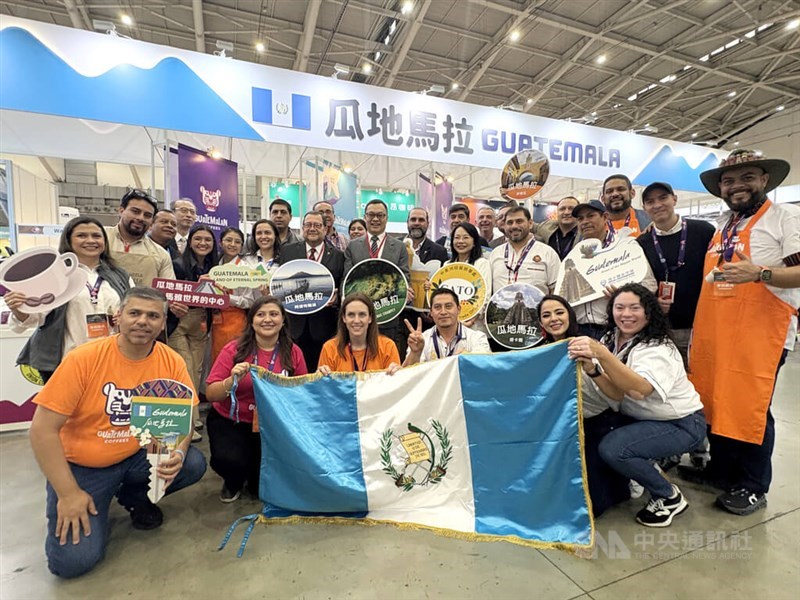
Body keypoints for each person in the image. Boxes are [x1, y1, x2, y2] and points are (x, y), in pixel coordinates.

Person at [28, 287, 207, 578]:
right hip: (84, 467)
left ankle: (134, 496)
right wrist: (68, 493)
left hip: (136, 455)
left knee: (192, 463)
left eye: (153, 316)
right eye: (134, 313)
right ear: (118, 317)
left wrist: (178, 451)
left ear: (163, 323)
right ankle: (95, 495)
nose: (143, 322)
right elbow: (42, 431)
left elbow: (182, 419)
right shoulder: (83, 358)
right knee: (72, 564)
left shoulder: (171, 360)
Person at [681, 149, 800, 516]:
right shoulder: (724, 224)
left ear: (764, 180)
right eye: (729, 181)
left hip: (761, 333)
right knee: (718, 400)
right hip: (719, 329)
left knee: (752, 405)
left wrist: (761, 274)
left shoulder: (784, 218)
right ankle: (721, 471)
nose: (737, 186)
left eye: (747, 178)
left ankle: (752, 485)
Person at [567, 284, 706, 527]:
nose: (626, 314)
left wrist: (601, 354)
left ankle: (668, 495)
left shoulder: (658, 347)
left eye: (635, 308)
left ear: (649, 312)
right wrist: (592, 369)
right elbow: (616, 393)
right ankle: (642, 466)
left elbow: (640, 390)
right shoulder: (612, 337)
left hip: (680, 423)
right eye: (619, 308)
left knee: (613, 448)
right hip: (638, 417)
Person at [205, 296, 308, 502]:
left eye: (273, 314)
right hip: (231, 420)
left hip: (270, 424)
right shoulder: (233, 350)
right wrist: (231, 381)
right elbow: (211, 394)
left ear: (283, 320)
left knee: (257, 487)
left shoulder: (293, 352)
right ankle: (232, 481)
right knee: (231, 461)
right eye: (260, 314)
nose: (267, 319)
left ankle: (252, 475)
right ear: (251, 321)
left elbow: (302, 391)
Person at [9, 217, 133, 382]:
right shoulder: (54, 276)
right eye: (81, 235)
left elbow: (134, 308)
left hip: (111, 359)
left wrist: (126, 317)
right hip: (66, 361)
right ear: (68, 240)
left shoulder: (120, 275)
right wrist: (18, 308)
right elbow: (33, 318)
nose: (90, 240)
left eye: (96, 236)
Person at [535, 294, 628, 517]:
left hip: (597, 422)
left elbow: (615, 395)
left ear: (570, 314)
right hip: (561, 426)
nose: (554, 319)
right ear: (541, 323)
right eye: (546, 315)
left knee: (591, 504)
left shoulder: (591, 346)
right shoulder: (538, 352)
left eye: (559, 312)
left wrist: (591, 369)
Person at [637, 182, 715, 367]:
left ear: (674, 199)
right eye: (650, 201)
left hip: (703, 325)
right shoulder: (642, 242)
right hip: (663, 329)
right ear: (644, 208)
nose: (657, 205)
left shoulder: (704, 231)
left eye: (663, 198)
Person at [571, 200, 657, 339]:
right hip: (580, 329)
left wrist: (622, 295)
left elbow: (649, 285)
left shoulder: (625, 246)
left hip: (615, 329)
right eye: (580, 218)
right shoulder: (575, 253)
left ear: (605, 217)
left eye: (590, 216)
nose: (585, 222)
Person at [279, 211, 345, 371]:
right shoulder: (287, 251)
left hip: (324, 326)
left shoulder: (338, 256)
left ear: (325, 229)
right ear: (302, 228)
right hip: (293, 325)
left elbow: (342, 286)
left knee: (320, 372)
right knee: (293, 371)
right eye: (308, 225)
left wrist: (337, 298)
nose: (312, 228)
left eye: (317, 225)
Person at [344, 199, 412, 354]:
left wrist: (405, 289)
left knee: (386, 359)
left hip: (388, 314)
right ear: (365, 217)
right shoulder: (353, 246)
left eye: (380, 215)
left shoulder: (399, 247)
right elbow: (347, 279)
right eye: (371, 215)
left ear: (386, 218)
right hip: (358, 319)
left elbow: (404, 276)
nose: (375, 219)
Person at [169, 226, 218, 403]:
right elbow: (170, 293)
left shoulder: (215, 267)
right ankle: (187, 420)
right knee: (185, 368)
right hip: (180, 321)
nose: (203, 243)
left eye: (208, 240)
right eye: (198, 239)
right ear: (190, 242)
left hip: (202, 321)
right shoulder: (177, 265)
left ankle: (194, 418)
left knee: (198, 370)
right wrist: (197, 288)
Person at [318, 293, 401, 375]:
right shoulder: (329, 349)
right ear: (344, 318)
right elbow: (324, 387)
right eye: (351, 315)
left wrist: (399, 373)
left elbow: (394, 385)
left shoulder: (388, 347)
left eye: (362, 315)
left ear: (370, 318)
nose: (356, 320)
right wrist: (318, 377)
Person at [105, 189, 175, 287]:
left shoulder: (161, 254)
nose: (140, 218)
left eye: (147, 215)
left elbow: (168, 292)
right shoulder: (99, 238)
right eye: (135, 211)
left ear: (151, 221)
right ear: (121, 211)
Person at [403, 288, 490, 366]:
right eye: (437, 307)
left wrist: (467, 359)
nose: (443, 312)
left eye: (448, 306)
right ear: (431, 312)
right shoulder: (421, 340)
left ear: (459, 309)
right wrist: (415, 353)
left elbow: (485, 365)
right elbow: (408, 376)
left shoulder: (477, 338)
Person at [489, 206, 560, 295]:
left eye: (519, 221)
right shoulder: (495, 254)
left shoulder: (548, 253)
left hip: (537, 308)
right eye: (510, 222)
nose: (514, 226)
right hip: (500, 308)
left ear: (530, 223)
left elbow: (556, 289)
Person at [210, 227, 256, 364]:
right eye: (228, 240)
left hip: (236, 320)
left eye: (237, 242)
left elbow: (250, 301)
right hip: (213, 320)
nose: (232, 244)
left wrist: (227, 299)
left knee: (232, 359)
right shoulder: (213, 265)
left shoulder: (245, 269)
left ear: (242, 246)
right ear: (220, 242)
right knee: (214, 360)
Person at [448, 222, 492, 331]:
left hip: (474, 326)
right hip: (450, 325)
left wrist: (471, 320)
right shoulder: (447, 266)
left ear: (474, 242)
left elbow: (484, 296)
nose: (460, 241)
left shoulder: (482, 264)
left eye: (466, 237)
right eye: (457, 237)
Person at [243, 219, 282, 297]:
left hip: (278, 307)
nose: (263, 237)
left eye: (267, 233)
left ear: (275, 235)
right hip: (252, 308)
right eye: (259, 233)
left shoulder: (284, 260)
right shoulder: (246, 261)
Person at [536, 196, 579, 260]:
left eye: (571, 209)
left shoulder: (585, 233)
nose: (566, 212)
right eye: (562, 209)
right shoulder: (546, 227)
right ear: (557, 212)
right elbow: (528, 225)